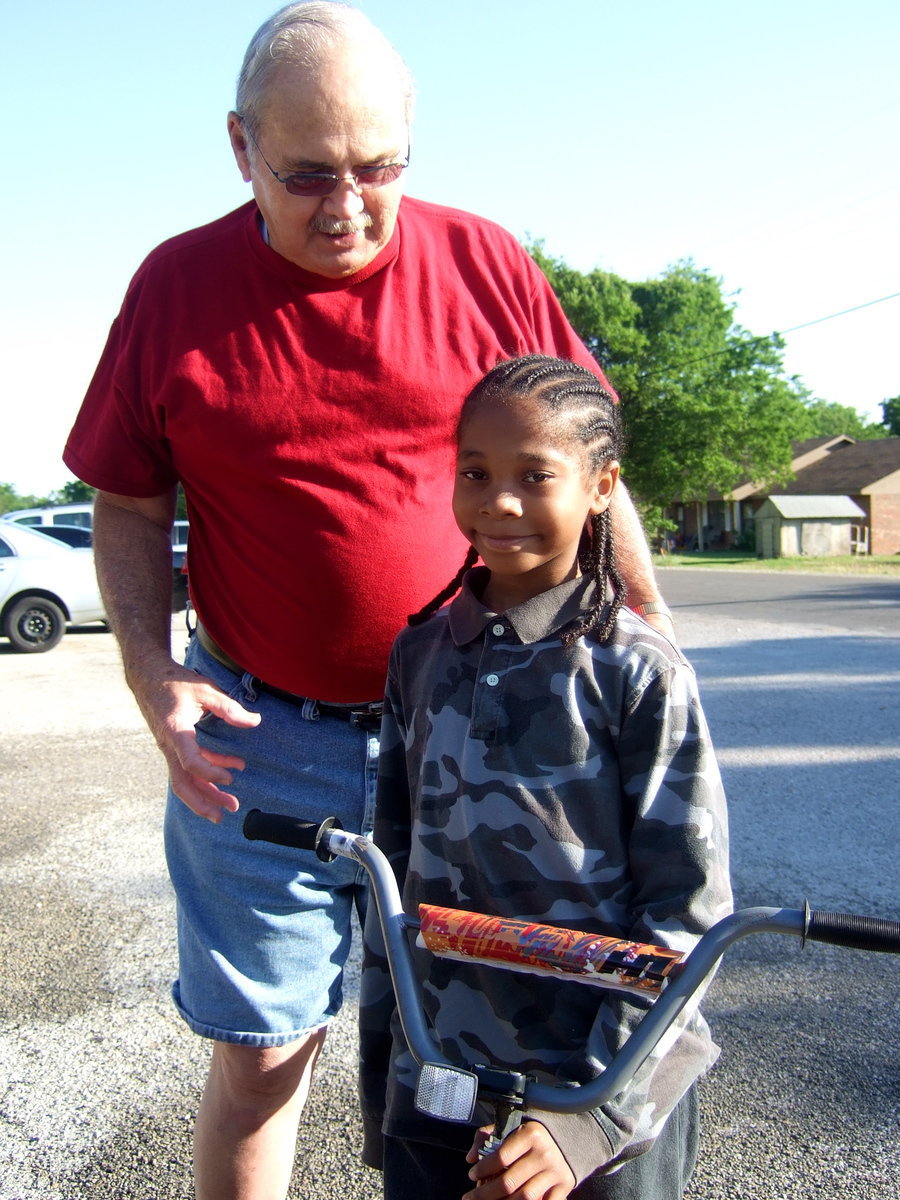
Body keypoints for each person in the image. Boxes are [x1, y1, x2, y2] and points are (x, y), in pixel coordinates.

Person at [63, 5, 673, 1197]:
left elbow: (595, 471)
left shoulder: (485, 262)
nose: (346, 206)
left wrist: (645, 632)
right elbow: (128, 501)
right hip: (262, 741)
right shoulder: (173, 289)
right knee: (263, 1058)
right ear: (240, 149)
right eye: (305, 175)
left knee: (479, 1054)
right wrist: (152, 674)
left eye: (376, 168)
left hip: (479, 735)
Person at [360, 356, 731, 1199]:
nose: (500, 501)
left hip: (599, 1094)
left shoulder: (637, 672)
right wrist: (389, 1081)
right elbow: (391, 883)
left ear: (602, 487)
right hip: (444, 1079)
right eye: (476, 473)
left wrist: (588, 1119)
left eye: (536, 475)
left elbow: (688, 915)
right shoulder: (421, 655)